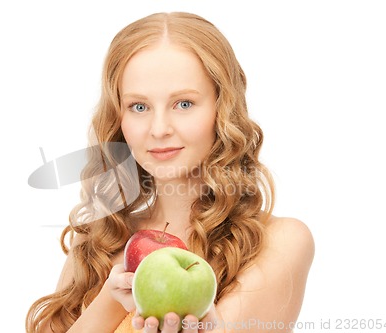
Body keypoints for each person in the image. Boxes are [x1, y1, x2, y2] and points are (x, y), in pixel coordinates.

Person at [26, 11, 314, 333]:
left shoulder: (277, 241)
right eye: (139, 106)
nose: (159, 129)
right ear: (118, 118)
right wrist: (112, 298)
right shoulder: (96, 238)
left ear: (223, 109)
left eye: (184, 104)